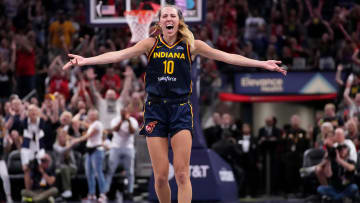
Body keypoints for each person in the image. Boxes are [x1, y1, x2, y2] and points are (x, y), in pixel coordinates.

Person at [63, 5, 286, 203]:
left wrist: (262, 63)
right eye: (165, 15)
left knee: (181, 174)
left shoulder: (191, 44)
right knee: (160, 176)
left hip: (180, 108)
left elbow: (226, 56)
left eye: (173, 15)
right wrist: (86, 61)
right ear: (159, 22)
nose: (169, 18)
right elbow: (118, 55)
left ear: (179, 21)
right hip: (155, 109)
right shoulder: (150, 44)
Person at [105, 103, 139, 200]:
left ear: (128, 112)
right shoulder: (115, 120)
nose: (124, 113)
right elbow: (115, 129)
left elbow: (132, 132)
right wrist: (122, 120)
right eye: (122, 111)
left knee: (130, 172)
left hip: (128, 147)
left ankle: (130, 192)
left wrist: (127, 121)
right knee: (110, 170)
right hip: (115, 147)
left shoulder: (132, 120)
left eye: (125, 111)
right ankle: (106, 191)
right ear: (120, 112)